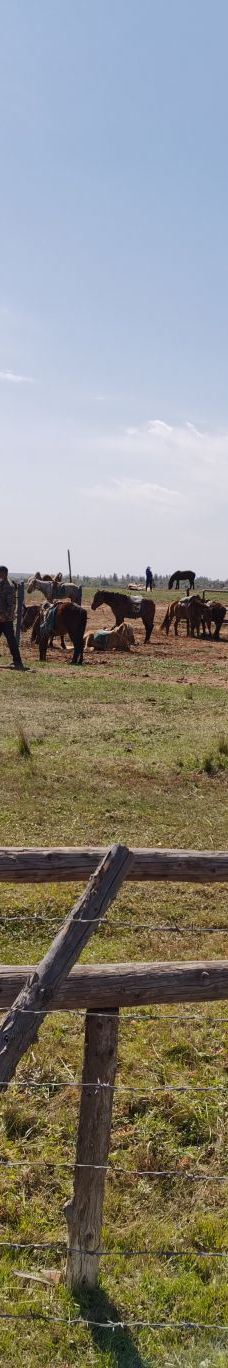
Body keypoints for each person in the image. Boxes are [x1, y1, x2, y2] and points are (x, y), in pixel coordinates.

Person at [0, 566, 24, 669]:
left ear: (4, 573)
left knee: (11, 640)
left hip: (5, 619)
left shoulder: (9, 586)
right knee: (11, 640)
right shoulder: (1, 584)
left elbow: (11, 605)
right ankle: (17, 661)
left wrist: (4, 616)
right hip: (1, 617)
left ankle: (17, 662)